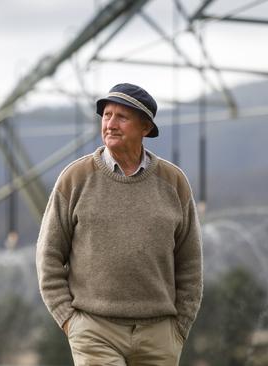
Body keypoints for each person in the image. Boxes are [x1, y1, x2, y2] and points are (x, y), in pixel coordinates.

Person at [36, 83, 203, 365]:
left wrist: (179, 328)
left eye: (121, 117)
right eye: (106, 115)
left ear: (146, 128)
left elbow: (190, 263)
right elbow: (48, 255)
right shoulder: (75, 178)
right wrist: (70, 321)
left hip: (159, 335)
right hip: (94, 331)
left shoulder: (174, 182)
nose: (110, 124)